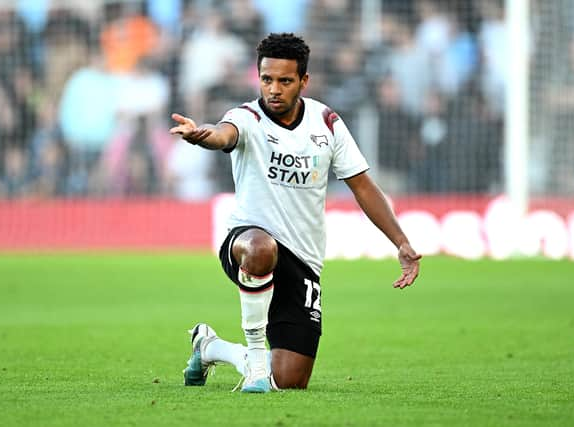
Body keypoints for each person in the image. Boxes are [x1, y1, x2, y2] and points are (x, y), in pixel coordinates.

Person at [170, 33, 421, 393]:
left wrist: (401, 242)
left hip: (303, 258)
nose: (273, 89)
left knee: (289, 381)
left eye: (285, 81)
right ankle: (256, 360)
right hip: (246, 242)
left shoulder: (327, 123)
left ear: (304, 81)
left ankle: (210, 347)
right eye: (266, 79)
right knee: (260, 248)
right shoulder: (245, 117)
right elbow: (223, 135)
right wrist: (202, 135)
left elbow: (363, 186)